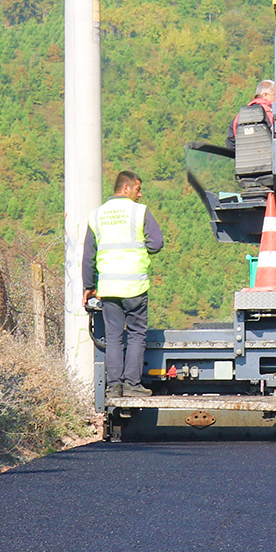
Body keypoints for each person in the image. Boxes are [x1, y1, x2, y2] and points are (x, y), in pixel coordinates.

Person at [83, 169, 165, 398]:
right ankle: (132, 385)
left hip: (108, 289)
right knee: (137, 334)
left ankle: (113, 387)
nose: (140, 195)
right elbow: (156, 243)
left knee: (113, 337)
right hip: (134, 286)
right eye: (138, 189)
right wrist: (141, 248)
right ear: (126, 188)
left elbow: (88, 255)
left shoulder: (96, 215)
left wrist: (88, 287)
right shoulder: (140, 212)